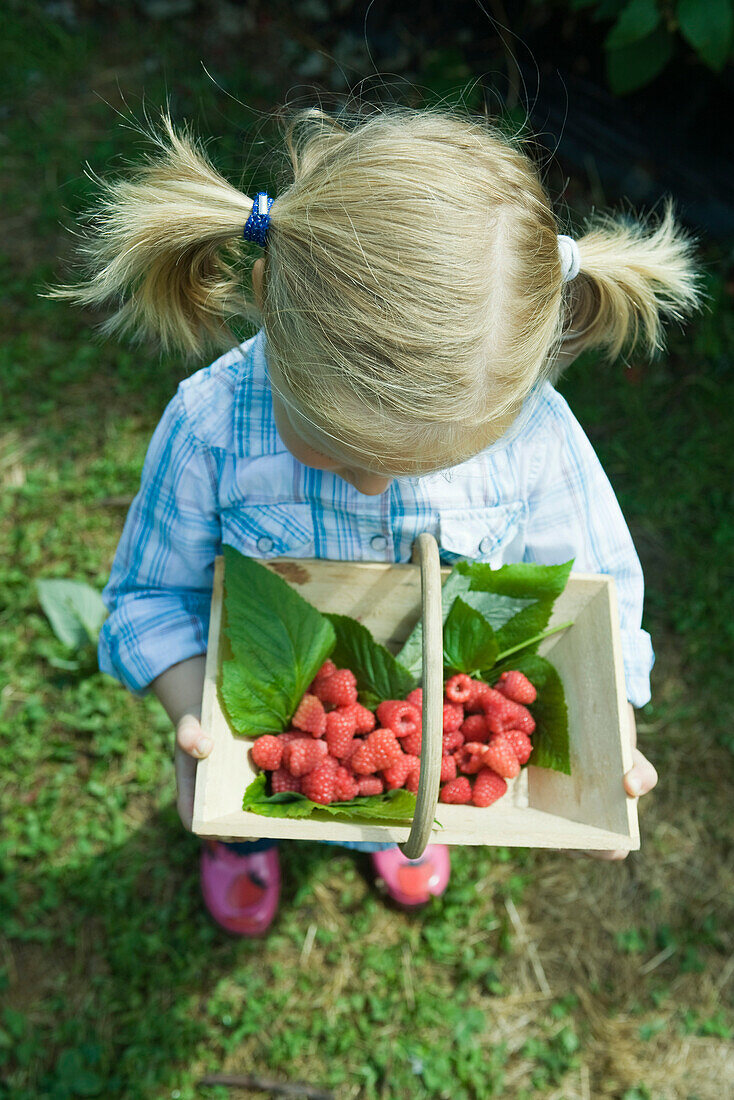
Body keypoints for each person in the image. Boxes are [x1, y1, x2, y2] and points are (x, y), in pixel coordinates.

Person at [49, 104, 701, 937]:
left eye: (418, 465)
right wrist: (194, 715)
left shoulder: (535, 437)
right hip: (268, 724)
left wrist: (614, 731)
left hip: (423, 735)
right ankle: (246, 838)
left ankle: (398, 826)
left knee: (387, 786)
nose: (367, 485)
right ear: (266, 302)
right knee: (263, 794)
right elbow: (148, 597)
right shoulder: (211, 429)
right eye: (331, 446)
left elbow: (597, 599)